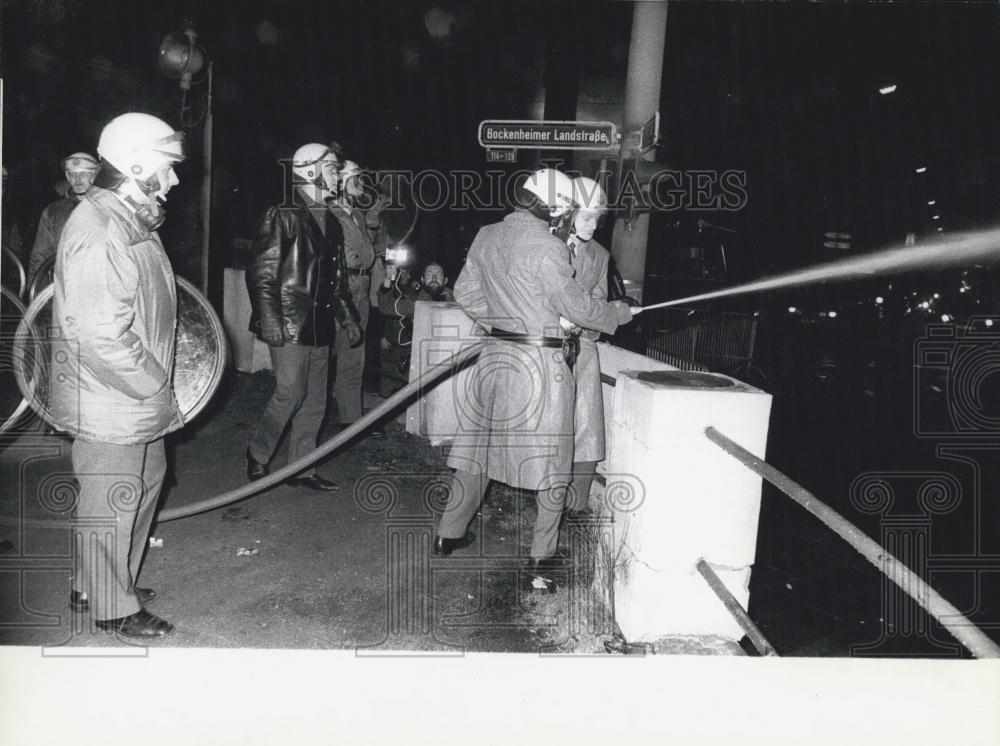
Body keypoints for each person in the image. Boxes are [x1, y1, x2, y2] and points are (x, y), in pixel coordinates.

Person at [434, 168, 638, 593]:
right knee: (552, 463)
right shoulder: (548, 248)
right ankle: (541, 562)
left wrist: (509, 326)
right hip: (543, 367)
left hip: (497, 358)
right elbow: (580, 309)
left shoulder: (488, 234)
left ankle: (447, 534)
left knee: (477, 448)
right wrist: (619, 313)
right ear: (557, 206)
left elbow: (466, 293)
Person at [49, 113, 186, 637]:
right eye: (166, 167)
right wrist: (155, 383)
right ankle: (114, 609)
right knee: (112, 495)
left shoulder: (130, 216)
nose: (173, 179)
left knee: (144, 482)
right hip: (115, 394)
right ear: (132, 163)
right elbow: (98, 333)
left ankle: (102, 583)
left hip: (132, 393)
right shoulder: (102, 228)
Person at [245, 142, 362, 490]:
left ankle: (302, 467)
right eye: (331, 169)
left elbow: (336, 281)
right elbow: (263, 273)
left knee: (315, 398)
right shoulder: (282, 213)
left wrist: (349, 318)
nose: (337, 175)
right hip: (290, 323)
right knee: (291, 392)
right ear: (310, 171)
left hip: (321, 325)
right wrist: (270, 320)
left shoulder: (334, 223)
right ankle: (258, 453)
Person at [562, 176, 611, 519]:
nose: (593, 225)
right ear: (568, 212)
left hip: (582, 347)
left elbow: (600, 301)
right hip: (546, 346)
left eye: (598, 218)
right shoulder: (545, 245)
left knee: (588, 425)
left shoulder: (600, 255)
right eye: (587, 217)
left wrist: (584, 325)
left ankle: (576, 503)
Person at [327, 159, 385, 432]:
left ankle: (349, 420)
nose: (362, 184)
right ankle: (311, 416)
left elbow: (371, 250)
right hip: (341, 287)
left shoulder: (358, 215)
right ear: (340, 181)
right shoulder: (329, 213)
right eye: (356, 178)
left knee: (353, 355)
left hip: (361, 287)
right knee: (326, 353)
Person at [375, 261, 454, 395]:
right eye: (429, 275)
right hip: (420, 362)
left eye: (438, 274)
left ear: (445, 280)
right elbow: (385, 307)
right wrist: (388, 280)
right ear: (422, 280)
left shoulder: (458, 299)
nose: (434, 278)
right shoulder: (416, 302)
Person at [27, 152, 100, 291]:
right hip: (65, 287)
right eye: (72, 174)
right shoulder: (54, 211)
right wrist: (37, 298)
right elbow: (40, 258)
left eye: (84, 173)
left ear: (95, 176)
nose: (77, 179)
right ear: (67, 177)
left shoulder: (108, 207)